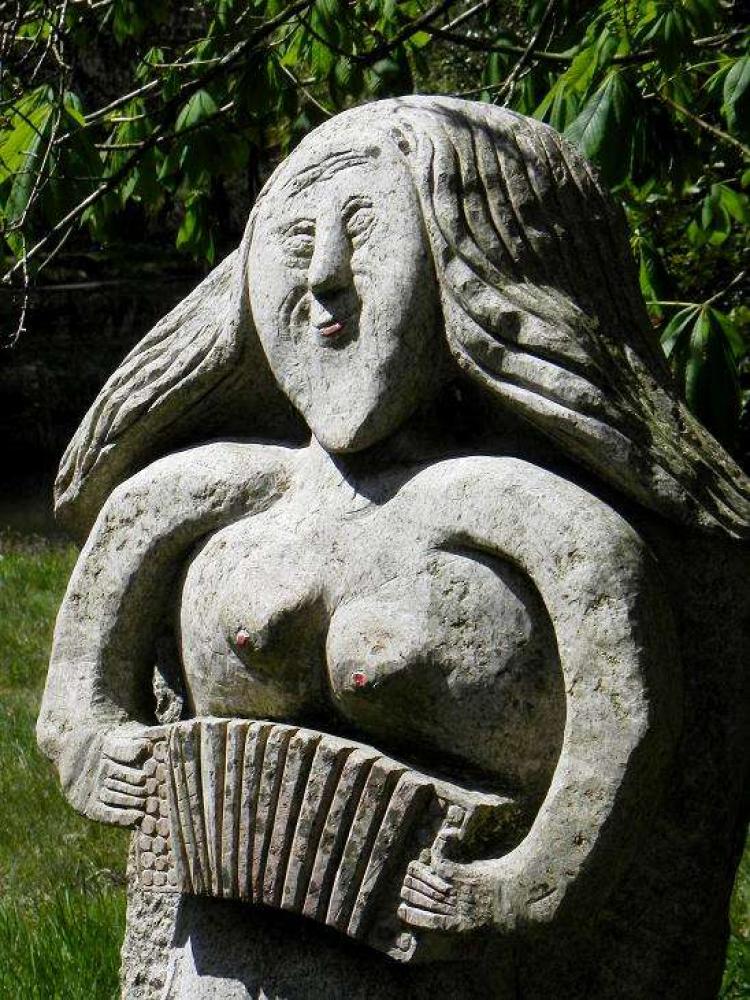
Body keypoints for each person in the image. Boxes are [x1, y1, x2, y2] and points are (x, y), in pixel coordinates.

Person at [37, 97, 747, 940]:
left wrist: (519, 886)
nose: (324, 274)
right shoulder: (184, 495)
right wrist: (87, 744)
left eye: (365, 229)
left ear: (468, 262)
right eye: (296, 240)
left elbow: (626, 719)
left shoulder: (529, 513)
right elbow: (73, 697)